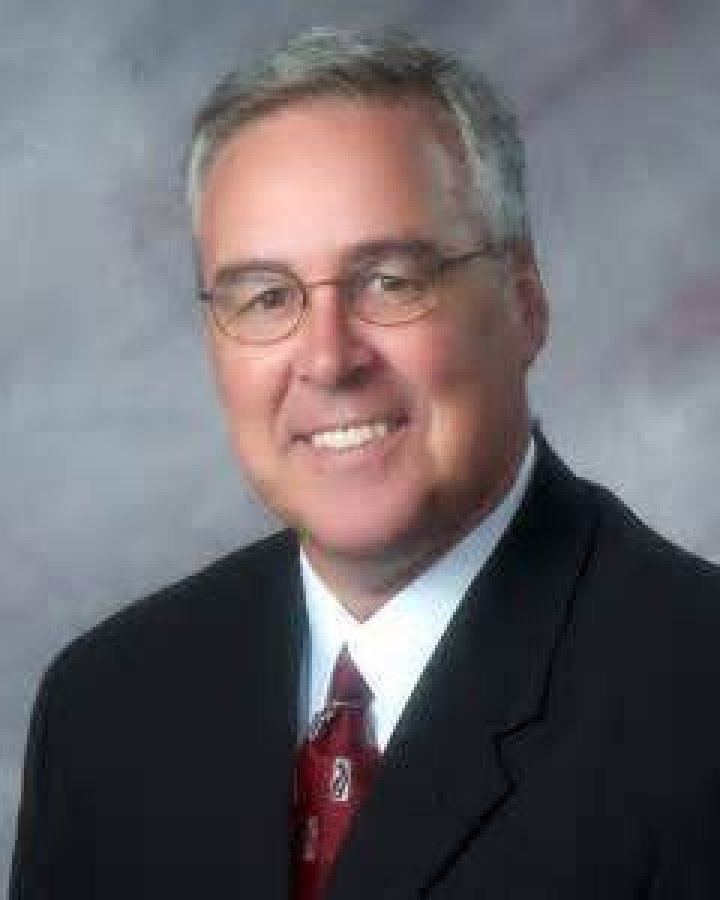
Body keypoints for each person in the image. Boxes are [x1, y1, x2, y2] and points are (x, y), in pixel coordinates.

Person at [9, 26, 720, 900]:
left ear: (524, 304)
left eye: (391, 281)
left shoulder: (698, 701)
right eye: (266, 297)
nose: (328, 358)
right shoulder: (104, 713)